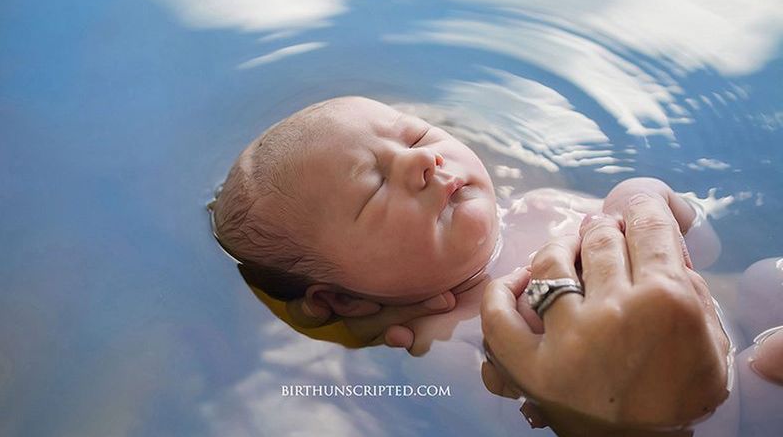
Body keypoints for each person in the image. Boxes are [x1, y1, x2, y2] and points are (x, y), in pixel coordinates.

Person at [210, 96, 716, 354]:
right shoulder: (448, 340)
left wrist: (649, 200)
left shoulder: (544, 204)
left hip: (732, 326)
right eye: (373, 189)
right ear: (342, 299)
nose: (421, 162)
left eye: (415, 137)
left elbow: (707, 253)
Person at [480, 193, 783, 435]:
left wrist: (640, 201)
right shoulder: (455, 339)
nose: (430, 161)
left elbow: (704, 248)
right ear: (433, 300)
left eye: (429, 136)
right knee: (768, 366)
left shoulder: (540, 204)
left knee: (768, 281)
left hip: (719, 331)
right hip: (707, 415)